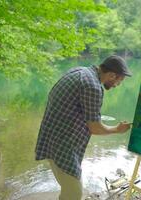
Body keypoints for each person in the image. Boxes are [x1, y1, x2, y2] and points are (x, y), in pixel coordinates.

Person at [35, 55, 133, 200]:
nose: (118, 84)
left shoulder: (79, 71)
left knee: (69, 190)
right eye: (120, 80)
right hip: (62, 146)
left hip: (50, 138)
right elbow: (95, 128)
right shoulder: (92, 86)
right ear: (112, 75)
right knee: (74, 193)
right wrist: (117, 129)